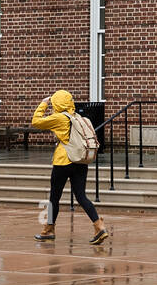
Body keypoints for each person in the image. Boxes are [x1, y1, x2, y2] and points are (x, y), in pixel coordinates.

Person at [32, 90, 111, 245]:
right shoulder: (79, 117)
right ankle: (99, 226)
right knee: (81, 196)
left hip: (63, 161)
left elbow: (36, 121)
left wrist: (44, 103)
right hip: (80, 160)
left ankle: (49, 230)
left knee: (54, 198)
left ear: (57, 103)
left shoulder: (60, 118)